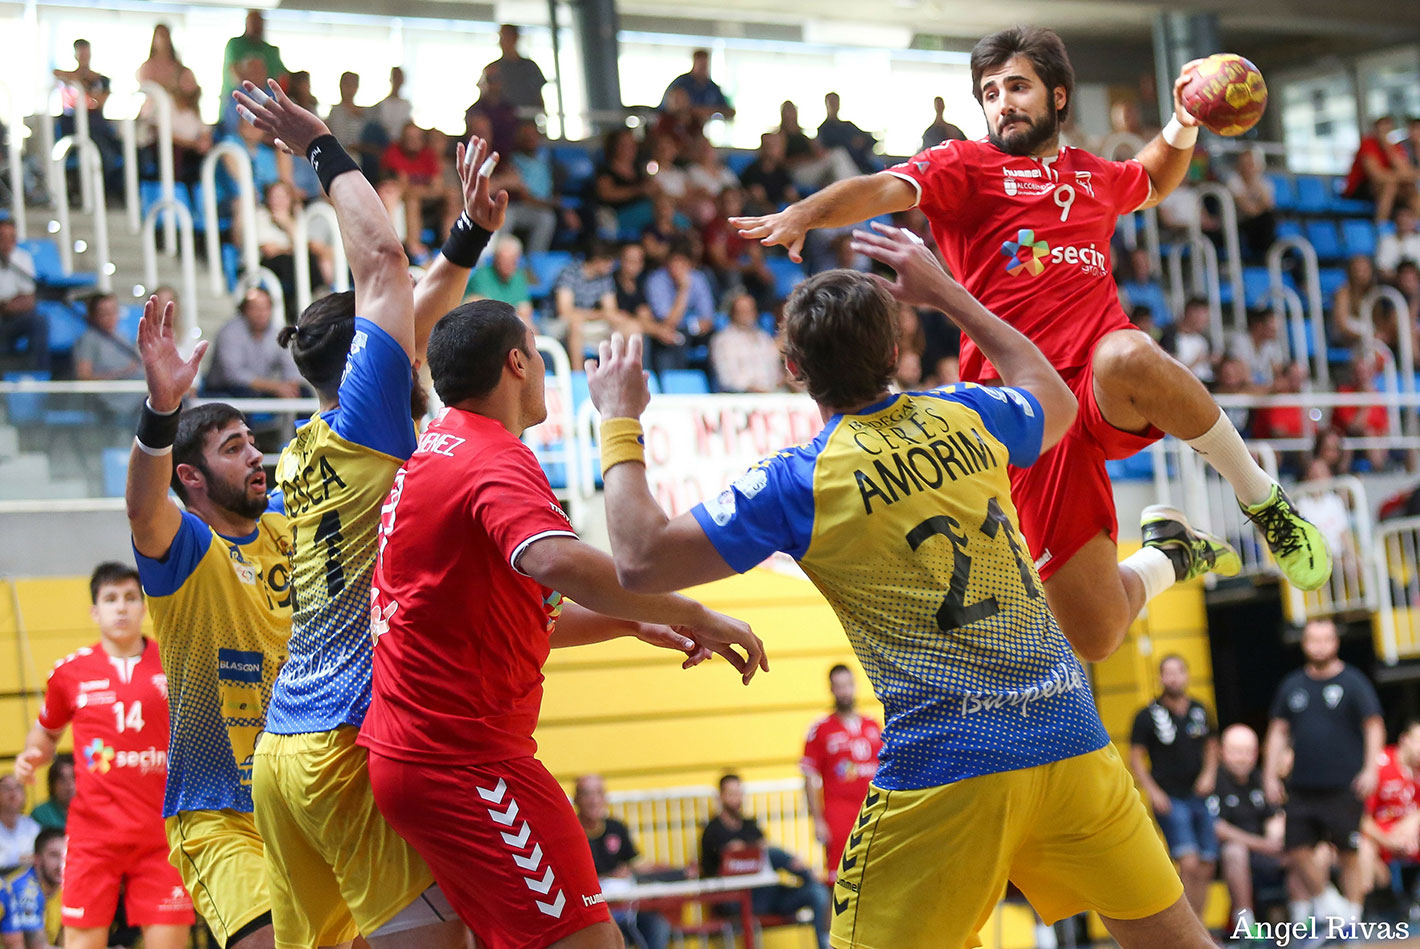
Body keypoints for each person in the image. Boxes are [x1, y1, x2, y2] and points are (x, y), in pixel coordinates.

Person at [585, 225, 1209, 947]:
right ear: (894, 352)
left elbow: (639, 559)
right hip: (1072, 736)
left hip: (947, 766)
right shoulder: (967, 413)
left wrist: (619, 418)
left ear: (793, 368)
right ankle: (1167, 559)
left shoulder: (800, 482)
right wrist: (950, 294)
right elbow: (1058, 403)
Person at [729, 25, 1331, 666]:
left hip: (1100, 382)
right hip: (1026, 411)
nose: (1002, 103)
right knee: (1095, 636)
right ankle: (1170, 552)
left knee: (1127, 353)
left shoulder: (1090, 176)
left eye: (1017, 87)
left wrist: (1183, 121)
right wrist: (805, 213)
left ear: (1058, 96)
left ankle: (1261, 497)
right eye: (990, 94)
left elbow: (1151, 182)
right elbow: (881, 188)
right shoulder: (964, 167)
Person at [356, 298, 767, 949]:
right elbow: (554, 559)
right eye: (539, 354)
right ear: (518, 363)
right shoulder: (491, 456)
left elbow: (504, 622)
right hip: (466, 764)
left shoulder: (436, 451)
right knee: (590, 941)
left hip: (412, 755)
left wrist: (629, 624)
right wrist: (695, 612)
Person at [233, 81, 507, 949]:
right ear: (370, 360)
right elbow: (386, 265)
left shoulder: (306, 447)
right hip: (344, 743)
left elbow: (414, 306)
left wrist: (469, 235)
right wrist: (321, 144)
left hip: (280, 751)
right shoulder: (368, 422)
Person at [125, 288, 293, 949]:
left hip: (307, 797)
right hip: (220, 812)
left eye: (252, 441)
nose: (254, 455)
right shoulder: (189, 547)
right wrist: (161, 410)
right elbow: (143, 508)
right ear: (191, 477)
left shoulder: (287, 525)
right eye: (232, 447)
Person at [12, 562, 193, 949]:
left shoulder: (175, 662)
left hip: (161, 833)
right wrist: (31, 754)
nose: (121, 607)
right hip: (93, 837)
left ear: (143, 606)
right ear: (95, 611)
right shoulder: (70, 672)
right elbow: (46, 732)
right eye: (110, 599)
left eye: (130, 597)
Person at [1264, 618, 1385, 926]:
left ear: (1335, 642)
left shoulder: (1353, 681)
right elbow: (1278, 731)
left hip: (1345, 785)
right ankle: (1328, 903)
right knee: (1296, 849)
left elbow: (1373, 726)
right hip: (1302, 786)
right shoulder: (1292, 685)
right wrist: (1269, 775)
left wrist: (1371, 769)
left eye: (1325, 639)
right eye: (1313, 640)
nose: (1319, 646)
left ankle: (1352, 920)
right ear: (1304, 644)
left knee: (1348, 853)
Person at [1128, 655, 1219, 918]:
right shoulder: (1146, 715)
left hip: (1200, 796)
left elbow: (1212, 745)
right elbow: (1136, 758)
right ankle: (1187, 929)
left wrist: (1209, 774)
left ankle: (1198, 925)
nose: (1173, 678)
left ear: (1187, 675)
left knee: (1207, 864)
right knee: (1188, 863)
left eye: (1178, 671)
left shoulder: (1200, 709)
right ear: (1160, 678)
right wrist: (1153, 791)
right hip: (1170, 797)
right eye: (1167, 673)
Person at [700, 774, 830, 949]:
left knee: (818, 892)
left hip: (768, 895)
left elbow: (767, 855)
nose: (736, 798)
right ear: (721, 796)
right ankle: (807, 873)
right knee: (772, 853)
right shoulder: (712, 832)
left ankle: (825, 944)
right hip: (736, 900)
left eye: (739, 793)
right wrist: (738, 853)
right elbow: (708, 872)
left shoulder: (750, 826)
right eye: (731, 793)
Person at [801, 665, 881, 877]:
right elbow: (809, 775)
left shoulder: (873, 725)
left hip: (873, 812)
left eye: (848, 685)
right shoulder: (820, 729)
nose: (845, 691)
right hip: (838, 815)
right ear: (831, 689)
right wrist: (817, 820)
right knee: (839, 876)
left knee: (875, 873)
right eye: (839, 686)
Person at [574, 775, 671, 949]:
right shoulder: (571, 833)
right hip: (592, 914)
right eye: (587, 794)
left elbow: (637, 864)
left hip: (625, 908)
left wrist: (672, 870)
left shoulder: (616, 827)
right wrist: (609, 877)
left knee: (658, 926)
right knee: (615, 937)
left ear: (605, 798)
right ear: (576, 799)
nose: (594, 801)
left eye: (599, 793)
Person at [1209, 724, 1287, 939]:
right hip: (1222, 857)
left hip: (1265, 852)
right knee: (1235, 851)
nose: (1242, 758)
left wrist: (1277, 836)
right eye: (1236, 751)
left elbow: (1274, 816)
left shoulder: (1261, 779)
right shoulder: (1213, 781)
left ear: (1255, 753)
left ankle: (1306, 920)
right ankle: (1246, 925)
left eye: (1247, 752)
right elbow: (1218, 828)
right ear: (1222, 751)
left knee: (1302, 848)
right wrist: (1262, 844)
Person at [202, 286, 303, 398]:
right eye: (255, 308)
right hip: (226, 389)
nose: (261, 313)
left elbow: (291, 365)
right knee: (245, 392)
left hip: (263, 390)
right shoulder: (229, 332)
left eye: (265, 308)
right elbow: (233, 375)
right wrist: (276, 387)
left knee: (303, 392)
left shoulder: (276, 332)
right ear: (244, 310)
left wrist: (291, 385)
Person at [1358, 720, 1420, 894]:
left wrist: (1415, 820)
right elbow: (1360, 818)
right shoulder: (1379, 766)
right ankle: (1367, 902)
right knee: (1363, 846)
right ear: (1405, 740)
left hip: (1411, 839)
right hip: (1380, 838)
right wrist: (1388, 841)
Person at [644, 243, 715, 374]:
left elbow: (708, 318)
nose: (677, 268)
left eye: (682, 263)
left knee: (714, 336)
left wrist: (692, 326)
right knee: (670, 338)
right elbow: (669, 322)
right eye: (674, 263)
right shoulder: (656, 280)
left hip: (692, 331)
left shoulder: (698, 278)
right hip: (664, 333)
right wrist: (683, 289)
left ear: (690, 264)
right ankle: (670, 380)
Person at [554, 238, 621, 371]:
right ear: (597, 260)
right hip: (557, 323)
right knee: (575, 325)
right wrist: (600, 314)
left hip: (589, 322)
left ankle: (620, 373)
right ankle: (578, 375)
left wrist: (600, 315)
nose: (612, 265)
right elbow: (565, 312)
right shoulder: (569, 273)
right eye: (609, 261)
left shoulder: (605, 277)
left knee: (624, 326)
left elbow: (611, 311)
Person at [496, 120, 559, 255]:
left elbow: (554, 193)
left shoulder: (546, 162)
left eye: (533, 135)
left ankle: (535, 260)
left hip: (540, 208)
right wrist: (546, 203)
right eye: (525, 135)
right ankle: (499, 257)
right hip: (516, 206)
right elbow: (523, 195)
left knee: (547, 218)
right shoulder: (510, 161)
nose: (529, 138)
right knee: (505, 216)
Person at [1343, 116, 1418, 223]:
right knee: (1390, 186)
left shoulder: (1393, 147)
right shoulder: (1367, 144)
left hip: (1386, 184)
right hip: (1359, 188)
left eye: (1387, 129)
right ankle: (1381, 225)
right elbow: (1377, 176)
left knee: (1409, 188)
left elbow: (1406, 172)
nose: (1384, 132)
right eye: (1382, 129)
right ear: (1375, 130)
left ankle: (1416, 227)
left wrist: (1387, 147)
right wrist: (1403, 176)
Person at [0, 828, 64, 949]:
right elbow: (37, 946)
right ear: (37, 859)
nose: (61, 863)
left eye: (65, 855)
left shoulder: (65, 890)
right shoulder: (26, 890)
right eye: (54, 855)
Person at [0, 213, 49, 372]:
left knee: (39, 321)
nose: (7, 243)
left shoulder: (22, 259)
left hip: (13, 316)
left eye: (11, 238)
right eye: (2, 237)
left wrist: (5, 305)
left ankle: (37, 372)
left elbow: (28, 299)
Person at [711, 293, 781, 393]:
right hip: (740, 396)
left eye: (750, 310)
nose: (747, 314)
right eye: (741, 311)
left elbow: (775, 372)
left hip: (771, 393)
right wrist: (753, 388)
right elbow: (726, 380)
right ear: (732, 313)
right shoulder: (723, 341)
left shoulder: (764, 338)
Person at [221, 10, 287, 104]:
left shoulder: (271, 50)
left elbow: (283, 75)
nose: (257, 74)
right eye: (253, 22)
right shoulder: (235, 45)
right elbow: (234, 72)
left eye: (260, 69)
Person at [466, 234, 533, 325]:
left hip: (509, 323)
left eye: (512, 260)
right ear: (495, 259)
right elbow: (483, 307)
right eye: (503, 260)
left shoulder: (518, 277)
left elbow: (525, 309)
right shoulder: (482, 275)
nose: (507, 264)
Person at [482, 25, 546, 116]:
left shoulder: (530, 67)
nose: (503, 41)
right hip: (501, 118)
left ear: (516, 38)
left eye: (507, 37)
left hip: (527, 118)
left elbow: (538, 96)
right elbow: (485, 96)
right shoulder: (493, 68)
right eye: (501, 37)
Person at [1225, 148, 1276, 260]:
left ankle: (1273, 254)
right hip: (1240, 223)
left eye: (1251, 164)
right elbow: (1248, 210)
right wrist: (1260, 207)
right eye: (1245, 164)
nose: (1248, 168)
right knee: (1266, 220)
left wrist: (1255, 182)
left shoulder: (1263, 182)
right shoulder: (1233, 181)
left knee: (1268, 219)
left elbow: (1269, 205)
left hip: (1257, 223)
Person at [661, 50, 734, 123]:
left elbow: (729, 111)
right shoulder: (681, 83)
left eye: (705, 65)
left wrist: (711, 111)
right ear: (694, 63)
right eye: (700, 65)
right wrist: (695, 112)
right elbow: (668, 108)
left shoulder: (712, 87)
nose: (703, 68)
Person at [738, 132, 799, 216]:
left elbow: (792, 195)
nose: (781, 150)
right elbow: (758, 200)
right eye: (775, 146)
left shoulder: (783, 171)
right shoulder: (753, 171)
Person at [817, 93, 878, 175]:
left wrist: (861, 141)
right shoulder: (824, 129)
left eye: (836, 102)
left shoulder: (848, 126)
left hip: (862, 164)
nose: (834, 105)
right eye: (831, 102)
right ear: (826, 104)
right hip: (843, 168)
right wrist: (850, 143)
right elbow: (827, 147)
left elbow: (869, 139)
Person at [1227, 307, 1285, 389]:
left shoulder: (1273, 345)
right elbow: (1244, 378)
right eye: (1272, 327)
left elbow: (1279, 375)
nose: (1276, 329)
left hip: (1265, 390)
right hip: (1243, 390)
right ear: (1258, 325)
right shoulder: (1240, 341)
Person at [136, 23, 190, 97]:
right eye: (160, 35)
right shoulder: (147, 67)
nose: (163, 39)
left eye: (166, 35)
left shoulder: (178, 66)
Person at [0, 779, 39, 875]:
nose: (12, 793)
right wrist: (19, 858)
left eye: (18, 788)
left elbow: (39, 857)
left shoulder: (31, 826)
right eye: (6, 788)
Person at [25, 757, 71, 833]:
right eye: (62, 780)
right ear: (52, 785)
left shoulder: (89, 810)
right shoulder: (40, 813)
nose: (69, 785)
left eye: (73, 778)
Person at [371, 68, 413, 144]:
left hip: (401, 144)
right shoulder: (381, 104)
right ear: (391, 79)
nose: (398, 80)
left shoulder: (407, 104)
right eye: (395, 77)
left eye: (400, 77)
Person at [1377, 206, 1420, 280]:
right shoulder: (1386, 241)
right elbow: (1381, 268)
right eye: (1401, 217)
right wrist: (1401, 279)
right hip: (1392, 282)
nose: (1403, 221)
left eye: (1407, 217)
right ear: (1395, 221)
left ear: (1414, 220)